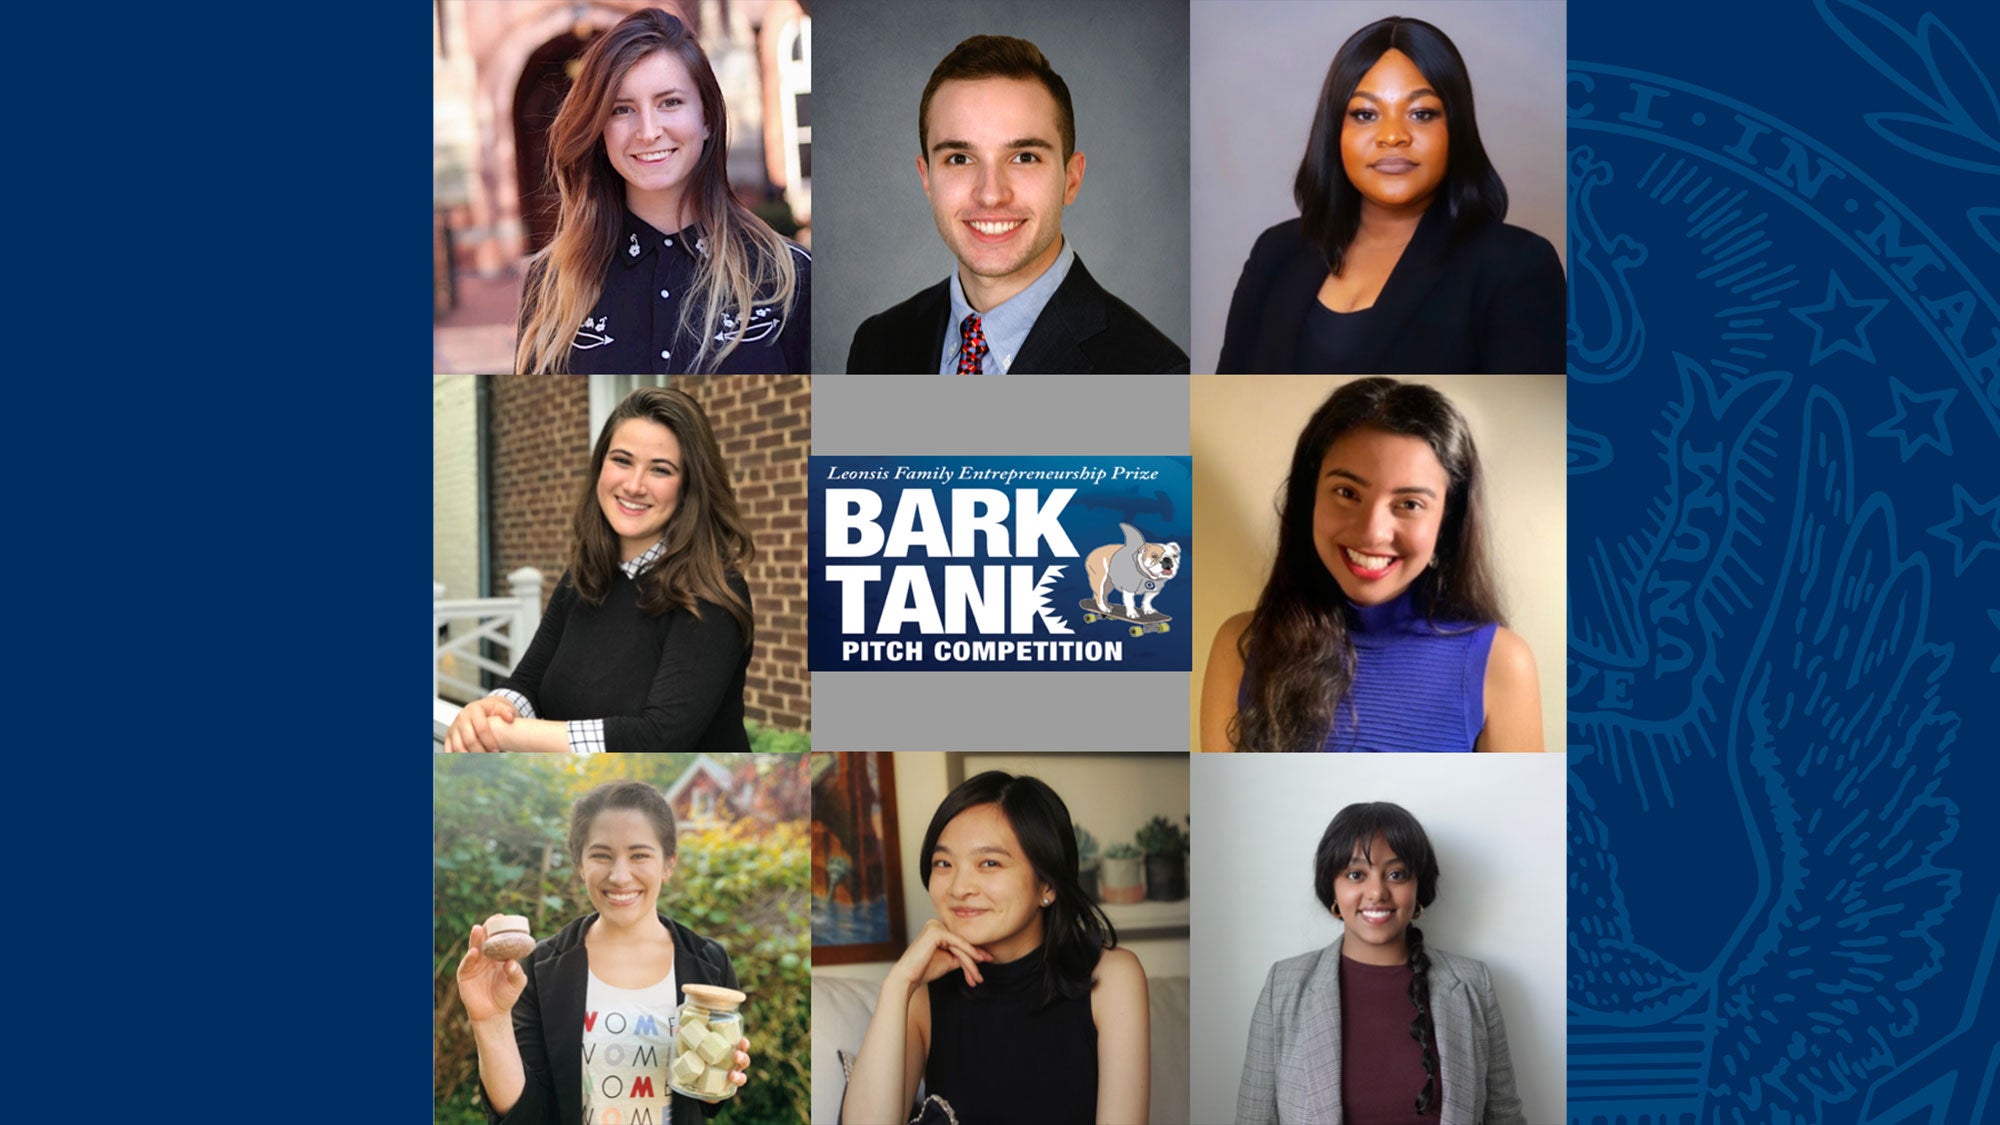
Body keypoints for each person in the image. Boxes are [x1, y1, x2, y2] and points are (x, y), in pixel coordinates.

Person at [1201, 378, 1542, 752]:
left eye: (1409, 504)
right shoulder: (1242, 646)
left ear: (1446, 525)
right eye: (1347, 493)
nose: (1373, 532)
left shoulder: (1501, 664)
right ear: (1309, 500)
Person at [1216, 17, 1563, 374]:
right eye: (1366, 114)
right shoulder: (1275, 251)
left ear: (1455, 128)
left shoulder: (1517, 266)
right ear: (1336, 130)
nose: (1393, 136)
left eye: (1421, 113)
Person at [846, 35, 1188, 375]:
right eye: (960, 158)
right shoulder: (877, 345)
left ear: (1071, 178)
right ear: (927, 179)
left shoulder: (1158, 372)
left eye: (1024, 157)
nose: (991, 194)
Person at [442, 386, 754, 754]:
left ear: (689, 487)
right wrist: (492, 709)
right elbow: (528, 682)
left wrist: (507, 735)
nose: (634, 485)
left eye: (660, 469)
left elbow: (658, 738)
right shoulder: (582, 577)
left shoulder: (712, 591)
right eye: (622, 460)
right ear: (600, 466)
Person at [840, 772, 1150, 1124]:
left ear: (1046, 883)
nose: (959, 887)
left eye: (989, 863)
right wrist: (899, 985)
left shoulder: (1111, 977)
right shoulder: (924, 997)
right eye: (944, 863)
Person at [516, 7, 809, 375]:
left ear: (706, 118)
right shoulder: (552, 280)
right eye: (622, 109)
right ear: (599, 130)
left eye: (670, 102)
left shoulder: (788, 274)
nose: (648, 131)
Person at [456, 780, 754, 1125]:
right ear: (580, 864)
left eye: (639, 854)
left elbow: (707, 1104)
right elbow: (527, 1114)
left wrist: (722, 1073)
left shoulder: (709, 964)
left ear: (668, 863)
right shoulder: (538, 968)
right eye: (601, 855)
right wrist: (489, 1021)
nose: (620, 875)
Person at [1237, 802, 1525, 1125]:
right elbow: (1254, 1117)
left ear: (1419, 888)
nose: (1376, 892)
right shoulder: (1284, 988)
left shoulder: (1473, 984)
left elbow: (1505, 1117)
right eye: (1356, 874)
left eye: (1396, 874)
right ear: (1332, 888)